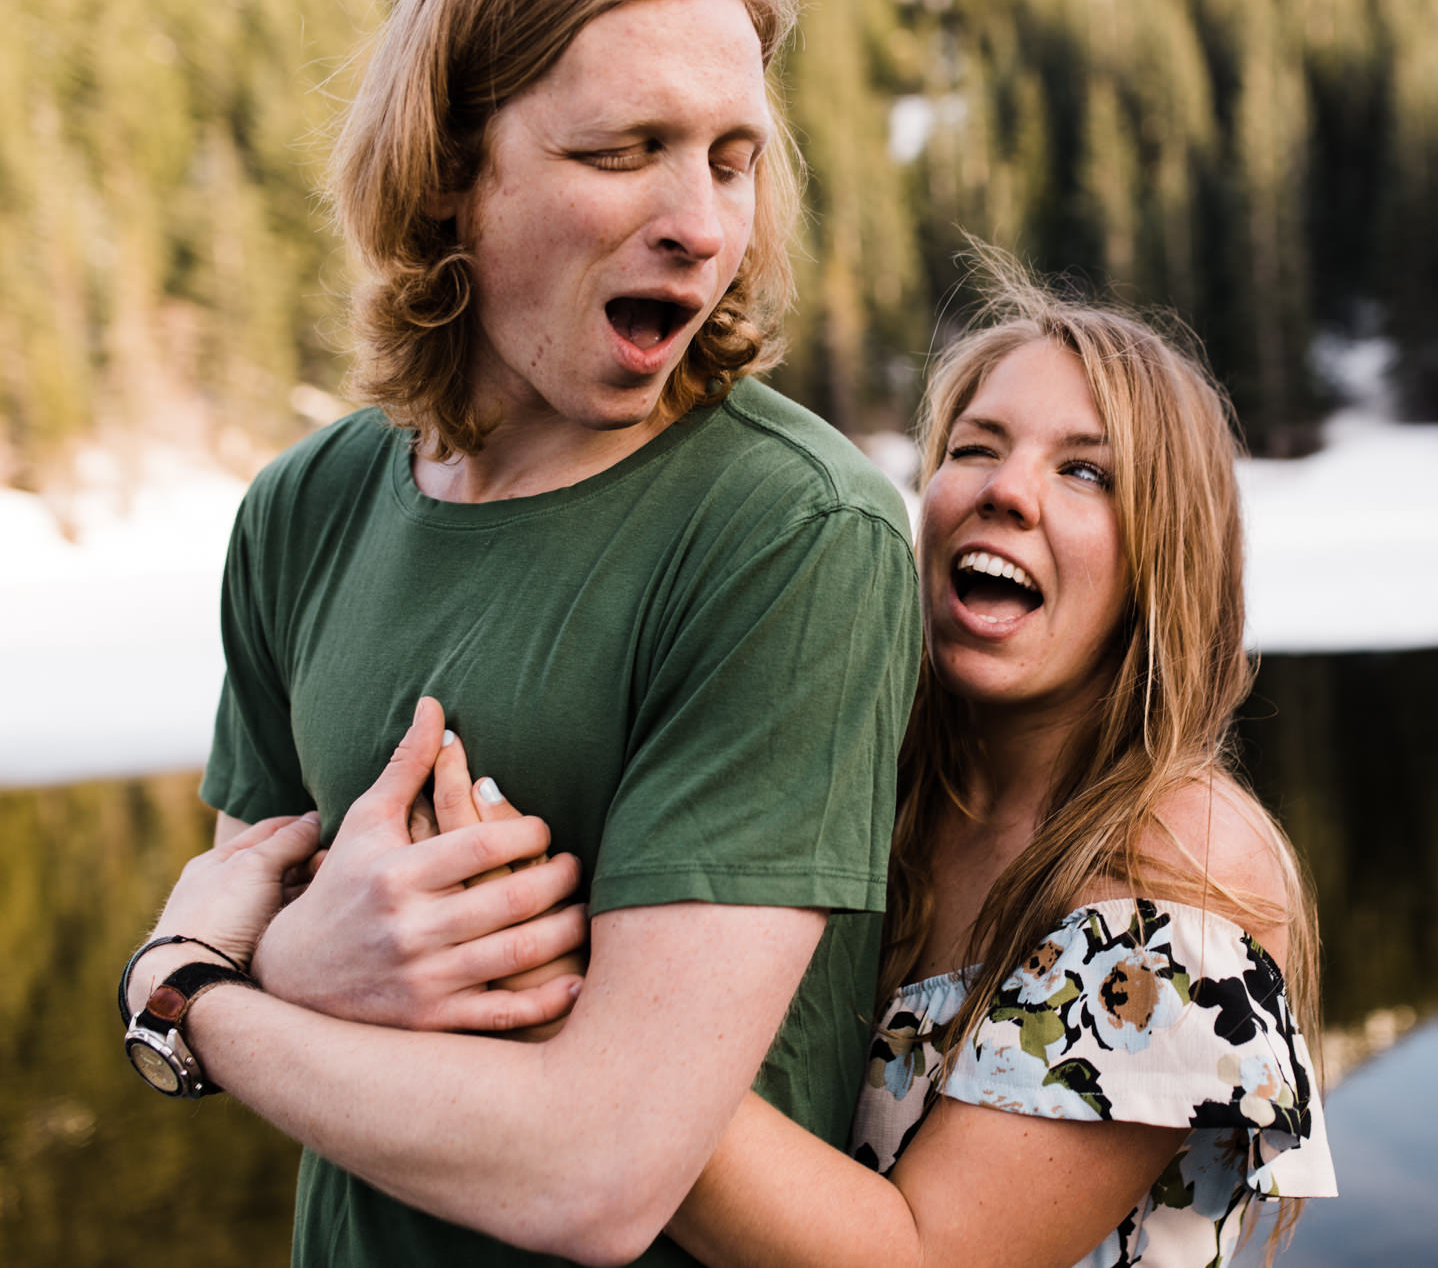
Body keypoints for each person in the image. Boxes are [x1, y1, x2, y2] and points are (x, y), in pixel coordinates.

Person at [154, 250, 1337, 1265]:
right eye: (976, 447)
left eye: (1085, 472)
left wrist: (564, 1006)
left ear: (1164, 558)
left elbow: (914, 1256)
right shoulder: (879, 787)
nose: (1005, 494)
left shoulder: (1183, 882)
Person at [119, 0, 920, 1265]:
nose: (704, 225)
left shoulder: (794, 535)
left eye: (731, 156)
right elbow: (262, 914)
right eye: (624, 150)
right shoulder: (302, 510)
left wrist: (190, 994)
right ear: (449, 173)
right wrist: (281, 973)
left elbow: (597, 1177)